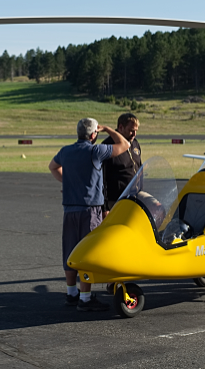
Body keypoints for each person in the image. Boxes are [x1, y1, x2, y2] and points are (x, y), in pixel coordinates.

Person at [48, 117, 129, 312]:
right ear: (93, 135)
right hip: (90, 209)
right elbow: (124, 145)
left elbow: (53, 167)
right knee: (88, 252)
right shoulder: (96, 151)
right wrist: (108, 128)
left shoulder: (65, 151)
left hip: (70, 208)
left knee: (70, 250)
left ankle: (71, 293)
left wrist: (67, 181)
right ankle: (85, 297)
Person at [102, 113, 142, 215]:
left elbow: (139, 168)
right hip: (116, 200)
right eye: (131, 130)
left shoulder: (135, 144)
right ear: (120, 127)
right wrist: (105, 208)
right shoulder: (108, 147)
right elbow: (102, 180)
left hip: (135, 197)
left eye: (136, 131)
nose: (134, 134)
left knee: (157, 207)